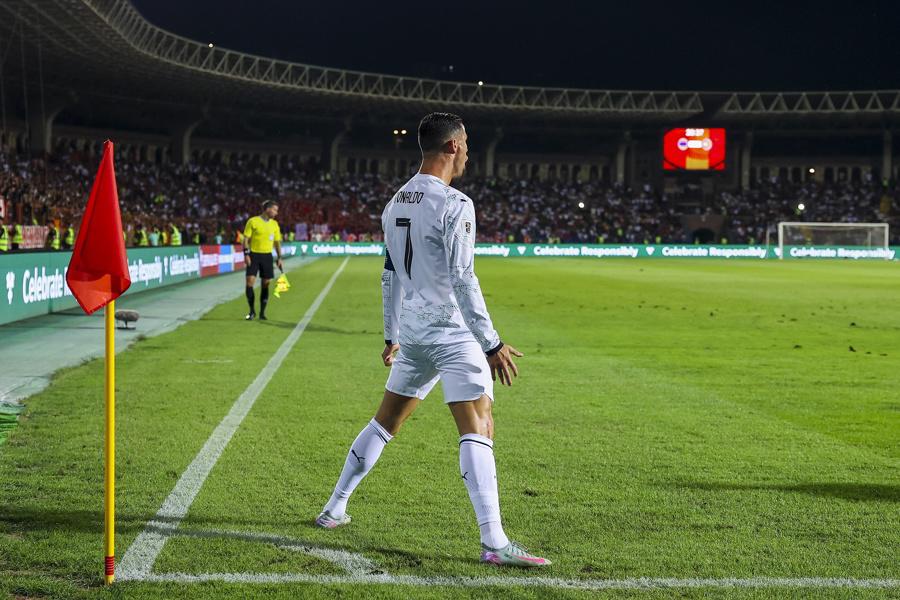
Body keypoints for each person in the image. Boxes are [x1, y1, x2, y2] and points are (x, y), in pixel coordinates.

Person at [315, 113, 550, 568]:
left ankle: (334, 507)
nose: (467, 153)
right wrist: (491, 341)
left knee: (386, 421)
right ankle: (495, 541)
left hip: (415, 331)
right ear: (452, 147)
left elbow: (389, 276)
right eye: (465, 145)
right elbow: (462, 277)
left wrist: (391, 334)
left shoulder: (394, 204)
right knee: (479, 423)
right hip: (453, 330)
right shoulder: (455, 203)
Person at [243, 200, 283, 320]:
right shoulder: (253, 221)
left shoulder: (274, 224)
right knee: (249, 282)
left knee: (266, 284)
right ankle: (251, 311)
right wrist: (246, 254)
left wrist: (279, 258)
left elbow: (277, 243)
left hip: (267, 256)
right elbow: (245, 239)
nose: (276, 213)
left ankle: (262, 313)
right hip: (254, 255)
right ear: (268, 209)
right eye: (275, 210)